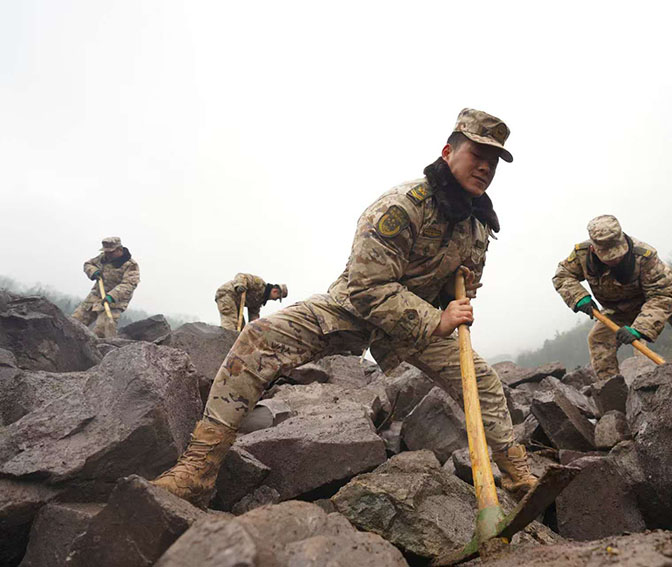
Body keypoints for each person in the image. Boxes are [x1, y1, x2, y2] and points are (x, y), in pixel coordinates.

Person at [152, 108, 537, 506]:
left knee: (483, 380)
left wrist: (458, 296)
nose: (486, 167)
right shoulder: (402, 207)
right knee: (258, 339)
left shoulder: (478, 225)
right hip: (355, 309)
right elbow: (367, 287)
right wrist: (437, 319)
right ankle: (198, 468)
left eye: (493, 161)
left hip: (414, 327)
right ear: (447, 152)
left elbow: (458, 287)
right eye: (477, 155)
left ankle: (518, 476)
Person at [553, 214, 672, 380]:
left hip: (665, 297)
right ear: (593, 249)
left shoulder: (645, 256)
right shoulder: (582, 254)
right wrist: (579, 297)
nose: (615, 259)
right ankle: (612, 394)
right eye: (608, 256)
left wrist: (640, 328)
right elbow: (563, 275)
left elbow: (662, 295)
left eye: (618, 254)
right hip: (620, 307)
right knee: (598, 340)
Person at [71, 236, 140, 338]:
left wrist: (112, 296)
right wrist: (93, 271)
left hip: (113, 303)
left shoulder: (130, 265)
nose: (108, 255)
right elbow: (88, 264)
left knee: (101, 332)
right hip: (95, 296)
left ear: (119, 249)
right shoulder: (102, 258)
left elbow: (129, 285)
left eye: (111, 252)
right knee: (74, 322)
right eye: (106, 252)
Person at [215, 273, 287, 330]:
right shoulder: (259, 284)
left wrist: (256, 328)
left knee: (241, 327)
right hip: (227, 294)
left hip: (236, 303)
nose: (275, 300)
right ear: (275, 291)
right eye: (277, 298)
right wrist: (240, 285)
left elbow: (253, 315)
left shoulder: (259, 301)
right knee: (231, 322)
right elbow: (242, 276)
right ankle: (226, 343)